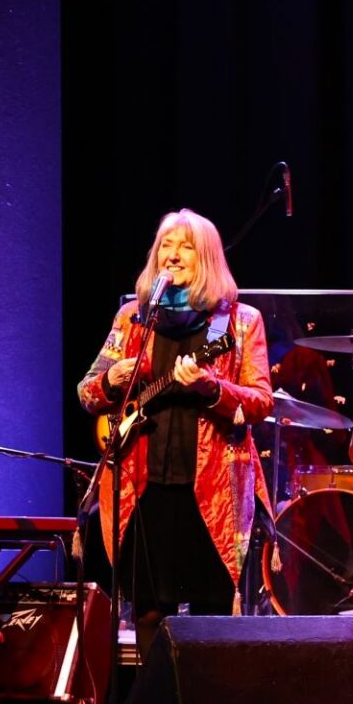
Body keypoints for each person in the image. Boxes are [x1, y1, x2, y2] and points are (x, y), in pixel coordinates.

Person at [79, 209, 272, 635]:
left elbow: (261, 401)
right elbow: (87, 393)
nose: (173, 254)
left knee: (211, 617)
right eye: (166, 245)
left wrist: (212, 388)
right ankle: (154, 683)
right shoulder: (132, 318)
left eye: (186, 247)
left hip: (212, 491)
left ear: (208, 257)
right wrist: (111, 380)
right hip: (143, 489)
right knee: (149, 611)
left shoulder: (238, 322)